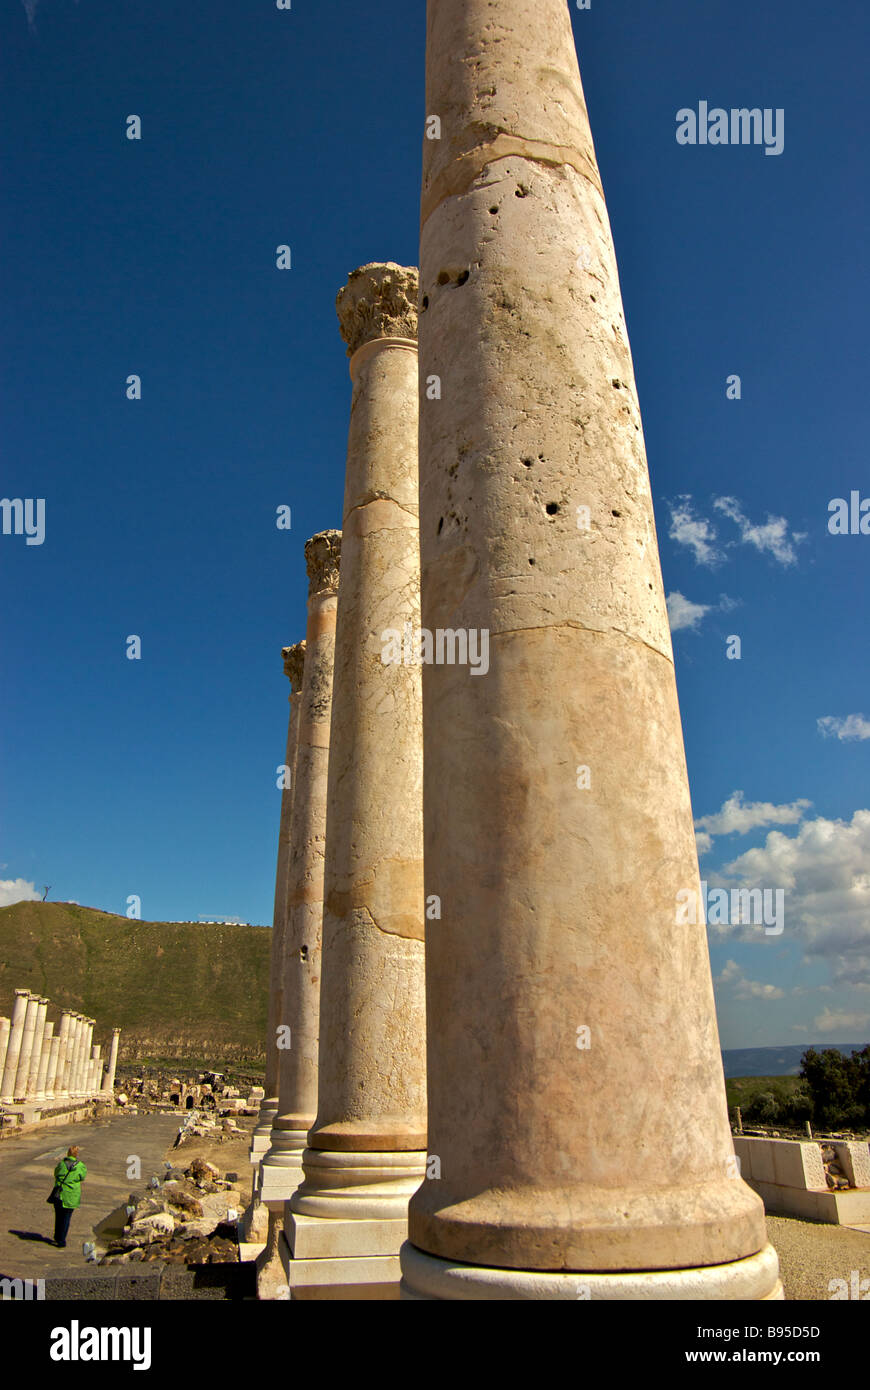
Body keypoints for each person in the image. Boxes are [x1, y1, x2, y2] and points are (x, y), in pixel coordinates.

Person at [50, 1145, 87, 1248]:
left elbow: (56, 1173)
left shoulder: (61, 1164)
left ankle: (57, 1237)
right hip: (71, 1195)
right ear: (76, 1154)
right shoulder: (80, 1166)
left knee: (58, 1217)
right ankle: (61, 1240)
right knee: (66, 1218)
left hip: (59, 1194)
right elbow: (82, 1177)